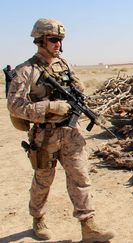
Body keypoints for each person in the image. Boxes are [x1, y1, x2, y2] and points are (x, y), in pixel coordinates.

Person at [7, 18, 115, 242]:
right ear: (40, 40)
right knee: (43, 180)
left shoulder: (63, 64)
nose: (58, 44)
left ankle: (88, 225)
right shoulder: (26, 70)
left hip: (71, 133)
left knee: (81, 177)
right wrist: (49, 107)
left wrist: (77, 96)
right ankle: (38, 218)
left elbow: (79, 88)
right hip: (45, 136)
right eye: (54, 39)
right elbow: (14, 106)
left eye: (60, 40)